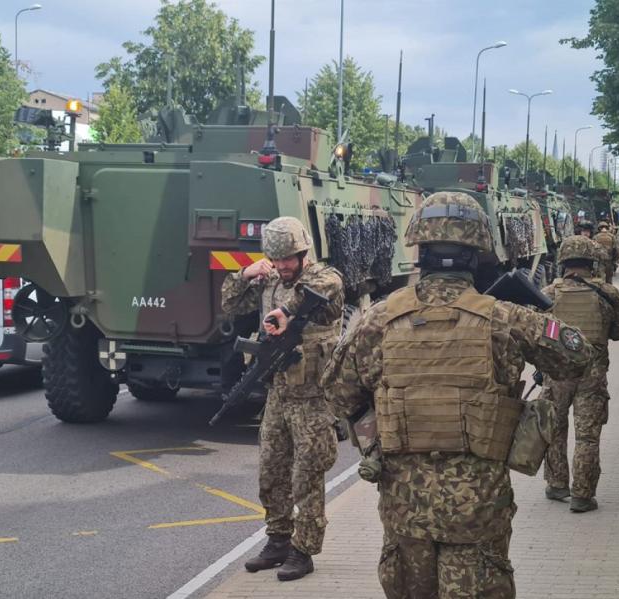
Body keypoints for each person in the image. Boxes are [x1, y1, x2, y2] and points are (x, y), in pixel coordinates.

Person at [321, 192, 594, 598]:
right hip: (477, 504)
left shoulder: (377, 319)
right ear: (476, 254)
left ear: (420, 250)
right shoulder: (504, 317)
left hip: (405, 503)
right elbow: (577, 355)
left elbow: (337, 393)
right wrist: (540, 314)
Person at [220, 216, 344, 581]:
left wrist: (287, 313)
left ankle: (303, 550)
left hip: (312, 397)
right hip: (278, 393)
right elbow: (230, 304)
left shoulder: (324, 279)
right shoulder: (269, 278)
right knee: (271, 473)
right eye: (277, 259)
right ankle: (278, 541)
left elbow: (327, 286)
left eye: (290, 258)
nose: (284, 265)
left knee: (307, 476)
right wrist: (245, 274)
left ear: (304, 252)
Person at [541, 236, 619, 513]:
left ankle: (557, 485)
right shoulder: (607, 292)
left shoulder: (548, 293)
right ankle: (582, 494)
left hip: (557, 371)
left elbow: (533, 329)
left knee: (554, 430)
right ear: (593, 263)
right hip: (592, 372)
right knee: (588, 436)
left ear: (563, 262)